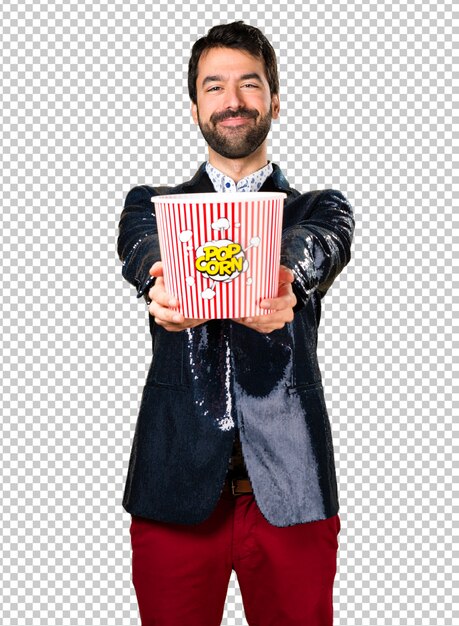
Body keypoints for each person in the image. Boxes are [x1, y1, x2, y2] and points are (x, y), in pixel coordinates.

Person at [117, 20, 354, 626]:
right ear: (194, 103)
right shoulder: (152, 204)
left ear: (274, 98)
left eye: (250, 83)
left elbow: (318, 245)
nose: (233, 100)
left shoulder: (318, 207)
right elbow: (143, 249)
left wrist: (285, 280)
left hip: (292, 493)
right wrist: (160, 279)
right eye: (214, 85)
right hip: (174, 491)